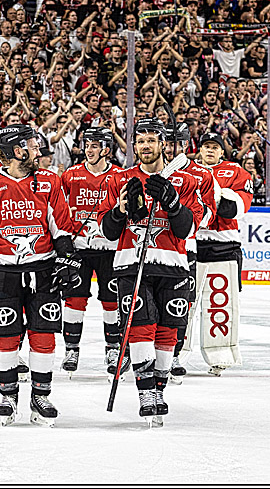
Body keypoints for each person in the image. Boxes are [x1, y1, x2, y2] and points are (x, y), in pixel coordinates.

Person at [0, 124, 78, 426]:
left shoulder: (49, 182)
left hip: (42, 271)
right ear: (17, 151)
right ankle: (9, 395)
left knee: (43, 335)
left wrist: (68, 259)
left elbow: (61, 226)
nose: (38, 150)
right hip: (3, 272)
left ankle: (41, 395)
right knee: (6, 335)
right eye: (32, 145)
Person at [98, 118, 204, 425]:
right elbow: (107, 231)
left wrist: (172, 203)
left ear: (163, 144)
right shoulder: (119, 179)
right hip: (132, 264)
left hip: (173, 264)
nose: (146, 145)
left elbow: (187, 230)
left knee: (168, 332)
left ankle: (159, 389)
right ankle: (146, 393)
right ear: (133, 146)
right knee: (140, 326)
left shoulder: (185, 180)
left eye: (151, 140)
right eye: (140, 140)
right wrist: (120, 210)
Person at [59, 127, 123, 375]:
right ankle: (71, 349)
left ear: (106, 149)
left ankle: (113, 348)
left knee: (111, 300)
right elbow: (60, 209)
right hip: (79, 249)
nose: (89, 149)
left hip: (109, 249)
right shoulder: (71, 175)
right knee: (75, 299)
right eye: (87, 144)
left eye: (95, 145)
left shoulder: (119, 176)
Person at [192, 131, 251, 376]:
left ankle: (220, 354)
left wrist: (209, 188)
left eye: (214, 147)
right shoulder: (188, 169)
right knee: (183, 303)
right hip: (191, 246)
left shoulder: (237, 172)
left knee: (220, 304)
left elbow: (232, 209)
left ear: (222, 151)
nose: (209, 150)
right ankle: (173, 352)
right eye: (205, 146)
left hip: (224, 246)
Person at [164, 125, 216, 381]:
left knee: (181, 303)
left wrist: (186, 215)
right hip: (152, 247)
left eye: (175, 142)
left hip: (185, 248)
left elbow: (209, 212)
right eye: (167, 141)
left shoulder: (201, 174)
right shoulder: (153, 169)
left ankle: (174, 355)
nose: (169, 146)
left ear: (185, 145)